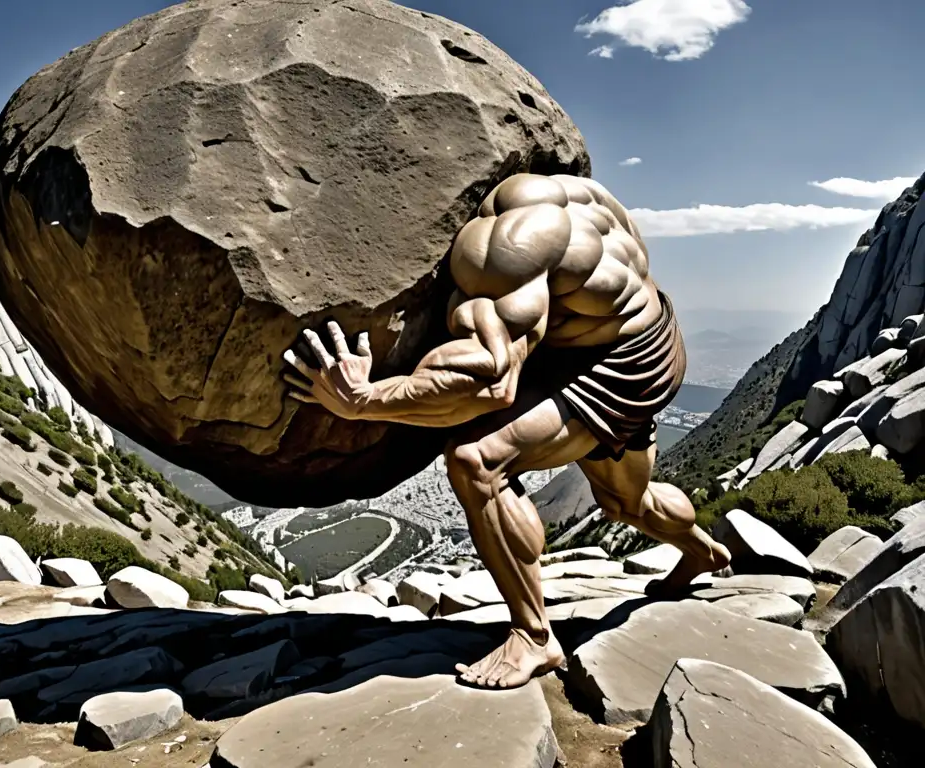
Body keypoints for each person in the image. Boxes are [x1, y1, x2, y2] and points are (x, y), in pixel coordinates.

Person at [283, 173, 731, 690]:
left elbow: (491, 381)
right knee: (626, 502)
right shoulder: (539, 187)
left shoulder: (499, 246)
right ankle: (704, 552)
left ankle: (534, 637)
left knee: (477, 461)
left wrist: (363, 401)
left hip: (613, 360)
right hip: (650, 337)